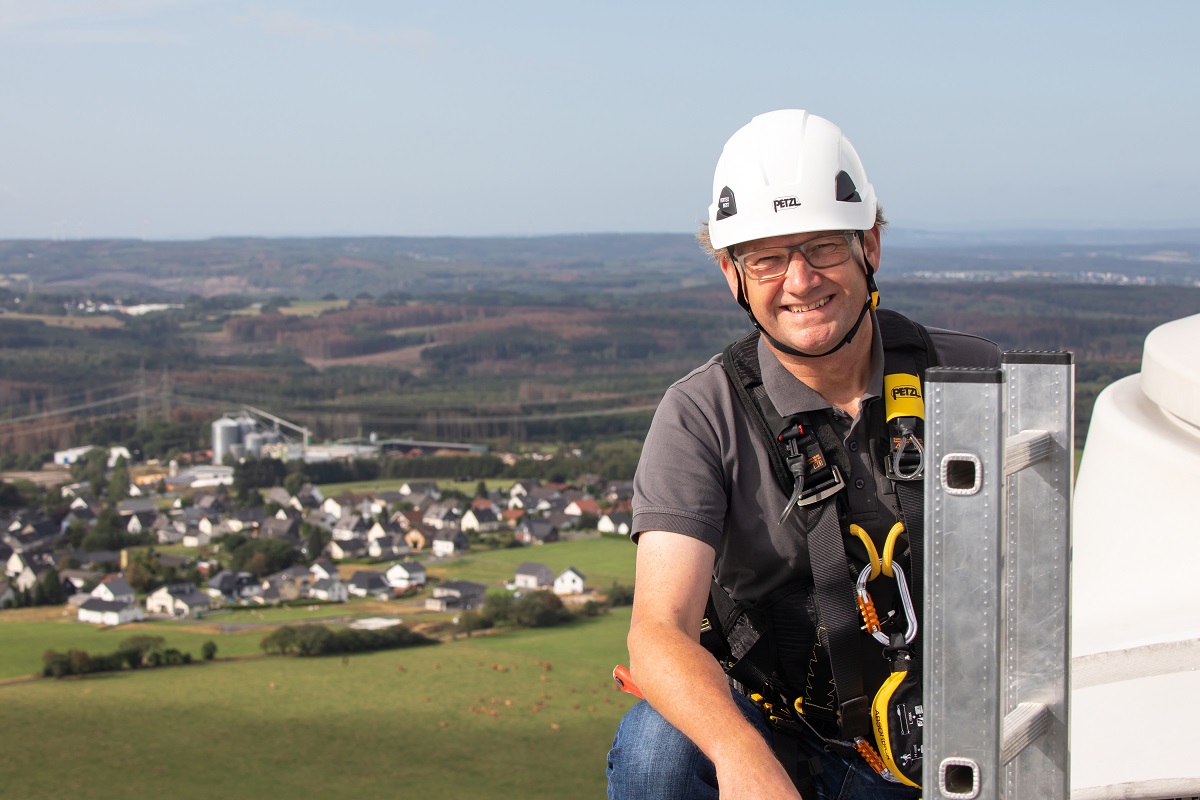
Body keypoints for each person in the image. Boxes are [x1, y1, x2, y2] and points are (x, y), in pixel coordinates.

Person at [605, 109, 1000, 800]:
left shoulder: (969, 379)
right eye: (765, 257)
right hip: (783, 738)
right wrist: (739, 756)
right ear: (733, 275)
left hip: (947, 743)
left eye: (822, 247)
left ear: (868, 244)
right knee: (655, 754)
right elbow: (658, 631)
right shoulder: (704, 413)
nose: (799, 280)